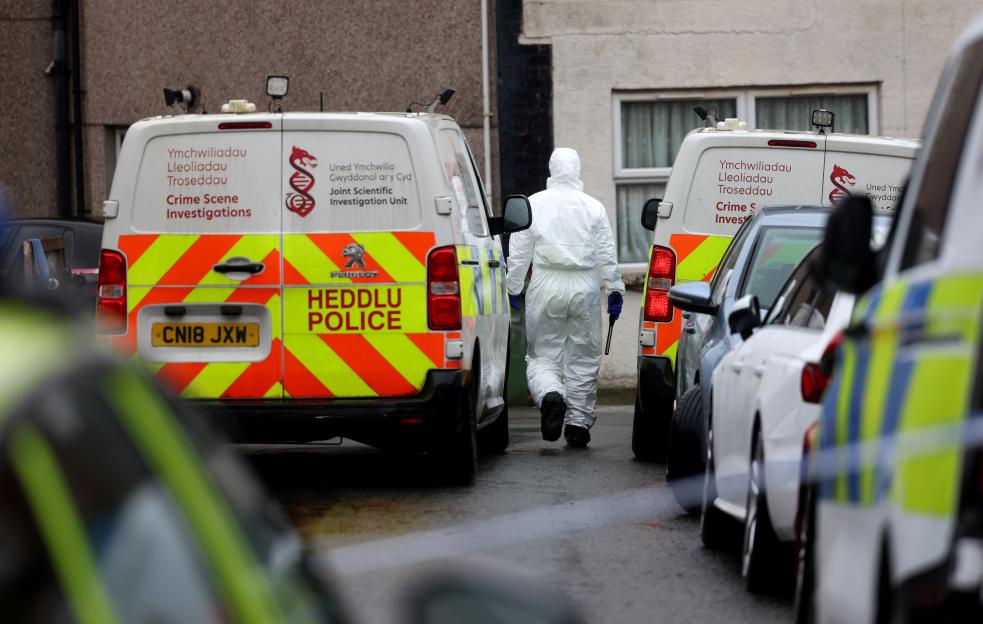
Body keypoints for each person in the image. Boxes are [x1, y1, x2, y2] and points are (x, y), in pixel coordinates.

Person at [506, 148, 625, 448]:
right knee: (583, 358)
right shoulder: (594, 207)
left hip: (545, 282)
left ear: (551, 169)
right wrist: (615, 289)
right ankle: (577, 422)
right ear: (577, 170)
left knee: (542, 356)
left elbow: (519, 253)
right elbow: (606, 254)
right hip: (584, 285)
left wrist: (513, 287)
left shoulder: (533, 204)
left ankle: (550, 395)